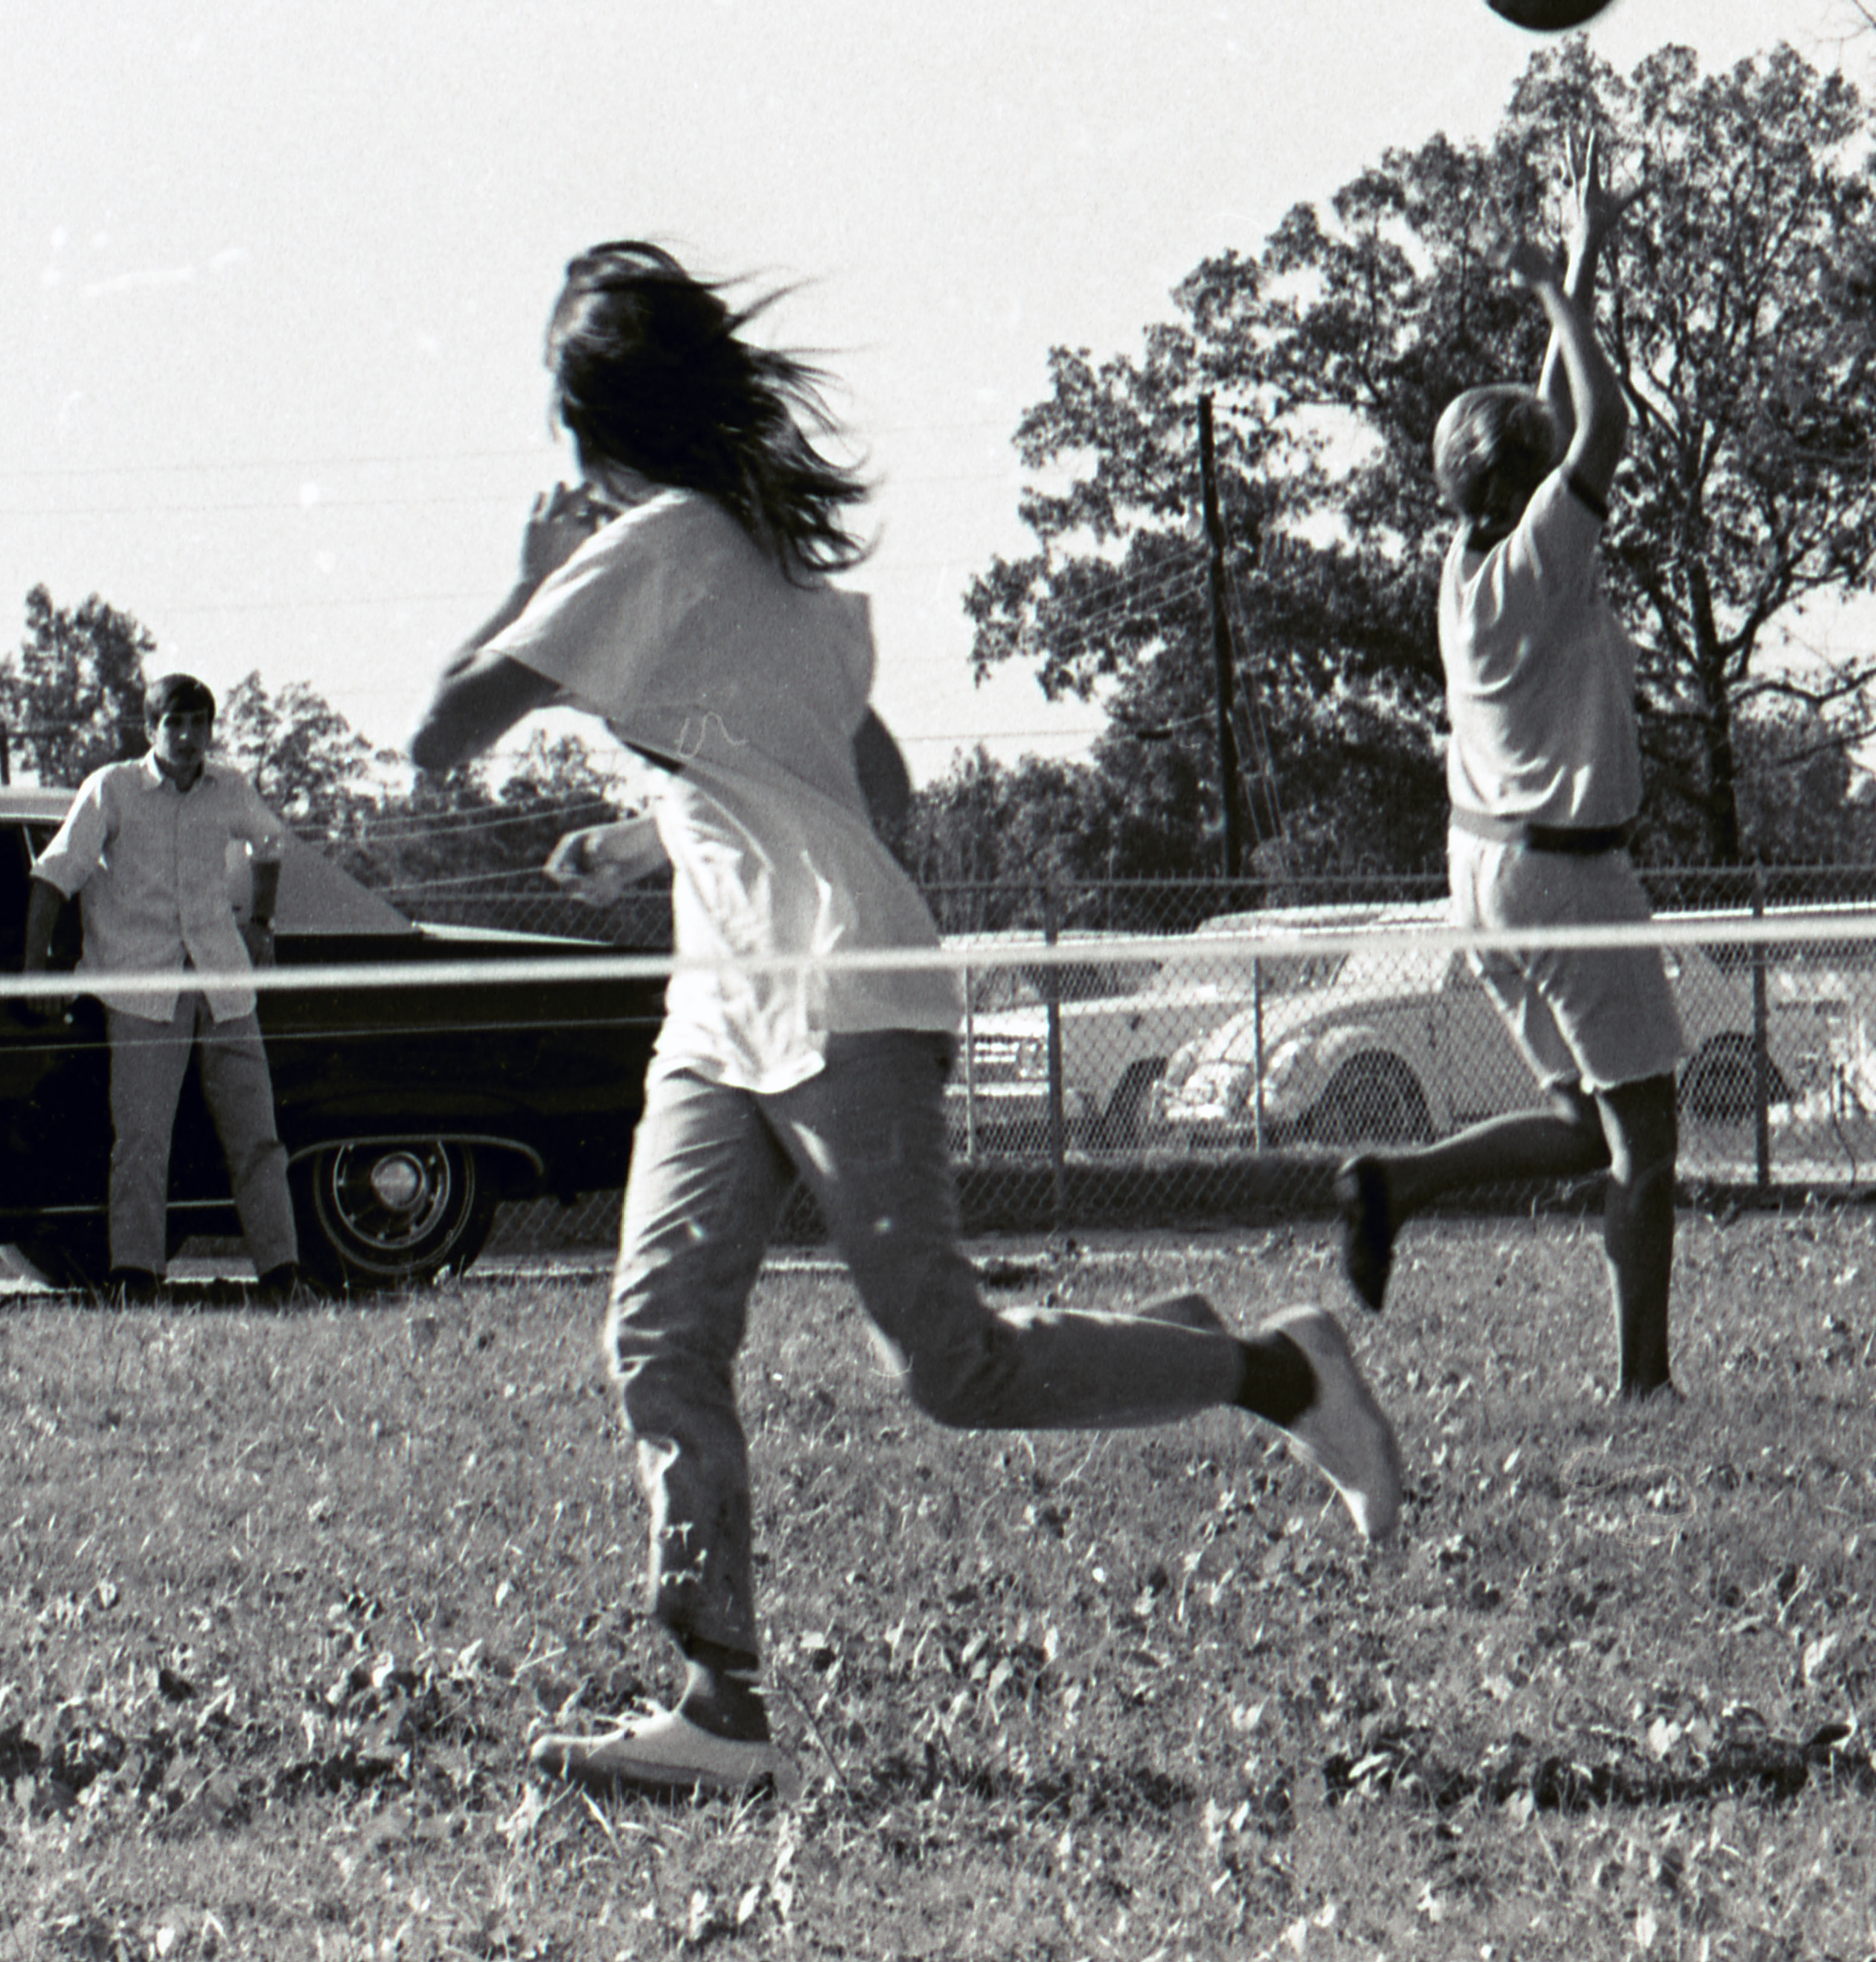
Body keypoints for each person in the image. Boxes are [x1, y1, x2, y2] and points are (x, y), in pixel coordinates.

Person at [408, 240, 1403, 1801]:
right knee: (660, 1332)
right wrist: (674, 826)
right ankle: (722, 1704)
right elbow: (868, 780)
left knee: (953, 1364)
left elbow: (440, 733)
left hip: (843, 1000)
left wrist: (533, 570)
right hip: (730, 1004)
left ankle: (1272, 1370)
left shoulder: (644, 543)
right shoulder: (763, 561)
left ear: (600, 426)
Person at [1331, 153, 1688, 1401]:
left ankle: (1400, 1182)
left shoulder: (1466, 556)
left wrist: (1581, 254)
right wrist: (1558, 300)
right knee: (1648, 1140)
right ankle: (1643, 1384)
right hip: (1564, 873)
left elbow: (1543, 425)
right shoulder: (1543, 555)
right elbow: (1601, 426)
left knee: (1589, 1128)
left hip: (1484, 868)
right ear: (1520, 489)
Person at [21, 675, 309, 1302]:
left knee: (257, 1134)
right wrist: (36, 968)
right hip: (142, 986)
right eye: (173, 723)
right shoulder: (113, 788)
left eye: (198, 724)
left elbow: (269, 840)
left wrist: (260, 921)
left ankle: (282, 1276)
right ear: (148, 729)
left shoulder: (228, 786)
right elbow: (52, 876)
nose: (186, 737)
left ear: (211, 729)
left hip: (221, 982)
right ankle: (137, 1276)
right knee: (143, 1138)